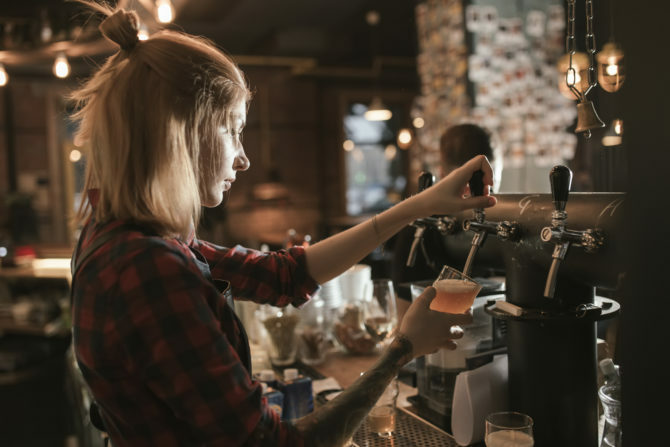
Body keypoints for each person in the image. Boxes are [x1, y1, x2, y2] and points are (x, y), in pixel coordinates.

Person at [69, 4, 497, 447]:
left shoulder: (121, 237)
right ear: (184, 131)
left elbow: (286, 275)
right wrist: (402, 349)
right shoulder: (150, 268)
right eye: (232, 130)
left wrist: (418, 205)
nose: (243, 156)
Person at [391, 124, 501, 323]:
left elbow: (403, 319)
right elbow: (405, 319)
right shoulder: (421, 228)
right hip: (444, 344)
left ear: (442, 173)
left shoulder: (503, 226)